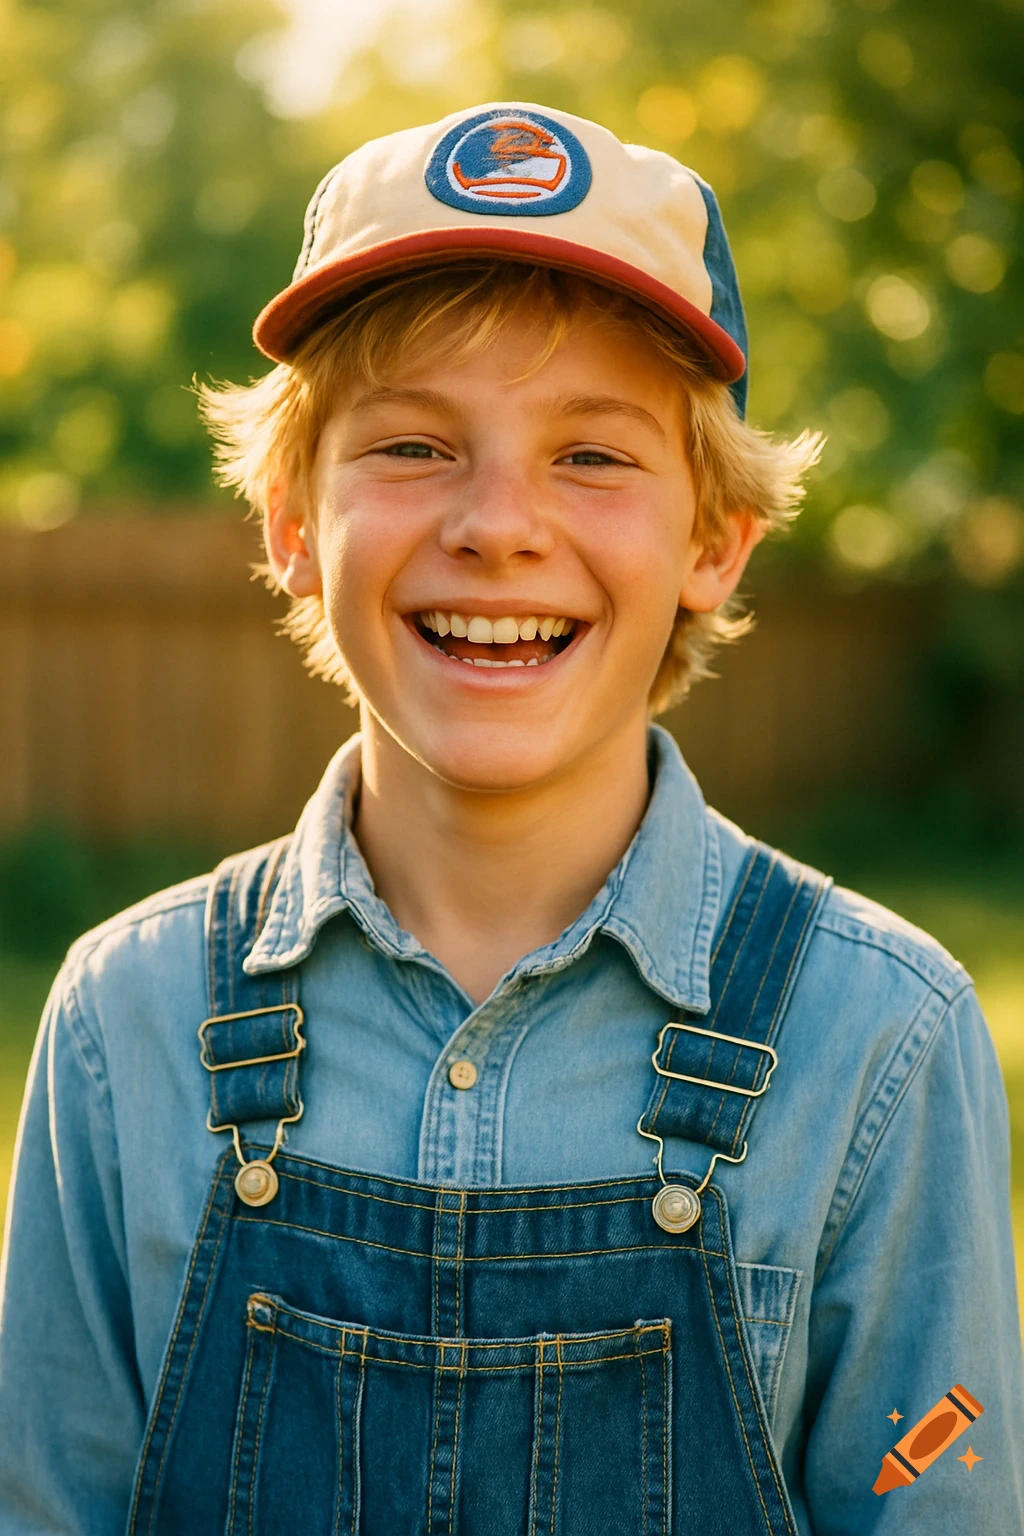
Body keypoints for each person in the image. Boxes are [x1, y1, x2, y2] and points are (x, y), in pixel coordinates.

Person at [0, 102, 1020, 1536]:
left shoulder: (881, 1041)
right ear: (292, 521)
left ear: (713, 544)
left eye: (593, 457)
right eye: (414, 445)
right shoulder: (128, 1025)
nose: (497, 522)